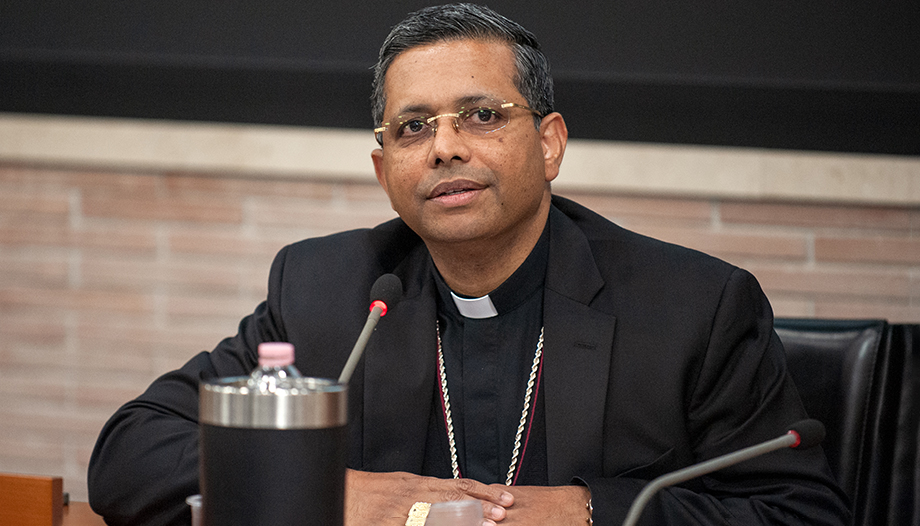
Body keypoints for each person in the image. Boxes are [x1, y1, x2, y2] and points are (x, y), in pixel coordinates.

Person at [88, 3, 849, 525]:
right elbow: (131, 452)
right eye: (413, 127)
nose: (445, 147)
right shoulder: (328, 291)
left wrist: (587, 511)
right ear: (385, 173)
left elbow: (800, 513)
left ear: (549, 144)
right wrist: (330, 492)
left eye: (482, 116)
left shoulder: (693, 308)